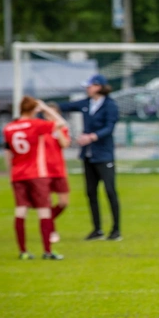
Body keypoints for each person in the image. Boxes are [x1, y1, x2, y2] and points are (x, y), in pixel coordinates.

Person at [57, 74, 121, 241]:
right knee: (91, 193)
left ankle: (116, 230)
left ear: (99, 86)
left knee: (110, 191)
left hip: (104, 156)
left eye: (90, 85)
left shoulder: (110, 105)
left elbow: (109, 128)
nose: (87, 88)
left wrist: (91, 137)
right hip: (88, 155)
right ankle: (97, 230)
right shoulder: (86, 103)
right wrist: (44, 107)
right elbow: (65, 106)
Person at [3, 96, 67, 260]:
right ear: (33, 110)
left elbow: (7, 152)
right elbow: (60, 122)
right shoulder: (36, 124)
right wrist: (45, 108)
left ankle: (23, 251)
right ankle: (47, 251)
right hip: (36, 173)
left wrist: (10, 172)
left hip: (17, 174)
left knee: (20, 211)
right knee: (44, 211)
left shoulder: (9, 128)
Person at [42, 102, 71, 244]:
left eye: (52, 114)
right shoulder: (40, 129)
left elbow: (64, 144)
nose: (50, 117)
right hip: (43, 171)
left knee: (64, 202)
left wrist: (57, 128)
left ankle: (48, 220)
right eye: (47, 114)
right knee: (47, 203)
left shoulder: (62, 129)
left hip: (58, 170)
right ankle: (51, 230)